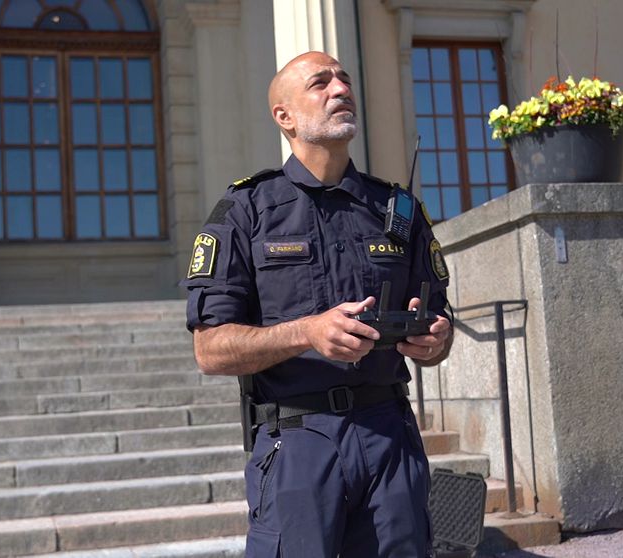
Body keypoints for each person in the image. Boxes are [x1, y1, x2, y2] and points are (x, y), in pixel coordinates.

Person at [180, 51, 453, 557]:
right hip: (296, 444)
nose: (340, 89)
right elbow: (210, 349)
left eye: (345, 80)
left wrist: (435, 339)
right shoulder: (245, 212)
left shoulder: (396, 210)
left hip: (388, 436)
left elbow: (440, 322)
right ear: (284, 116)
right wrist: (307, 332)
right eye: (320, 82)